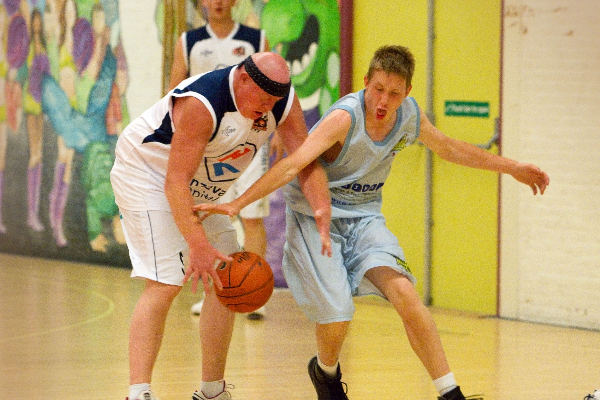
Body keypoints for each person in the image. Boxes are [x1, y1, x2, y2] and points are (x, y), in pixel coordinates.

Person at [194, 45, 550, 400]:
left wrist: (512, 167)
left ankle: (450, 393)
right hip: (315, 217)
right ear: (366, 82)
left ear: (406, 92)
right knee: (337, 313)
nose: (383, 100)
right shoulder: (344, 119)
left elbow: (449, 148)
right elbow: (293, 164)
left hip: (365, 217)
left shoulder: (408, 116)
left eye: (394, 93)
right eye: (378, 89)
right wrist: (237, 203)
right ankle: (326, 372)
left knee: (405, 294)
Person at [110, 52, 331, 400]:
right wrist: (197, 244)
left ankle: (212, 392)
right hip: (148, 174)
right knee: (165, 283)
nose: (266, 110)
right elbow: (174, 183)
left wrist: (321, 208)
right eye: (262, 100)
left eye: (274, 102)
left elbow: (305, 162)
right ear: (243, 77)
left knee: (228, 280)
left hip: (197, 185)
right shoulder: (205, 103)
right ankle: (138, 393)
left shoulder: (281, 103)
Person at [169, 0, 276, 319]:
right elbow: (174, 90)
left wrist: (281, 132)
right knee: (210, 217)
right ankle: (217, 290)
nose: (217, 2)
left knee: (253, 217)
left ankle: (253, 290)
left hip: (250, 139)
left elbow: (278, 91)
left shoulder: (256, 40)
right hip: (208, 145)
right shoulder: (189, 42)